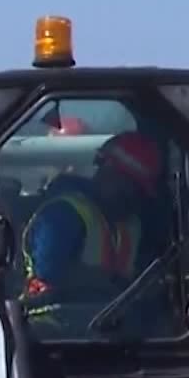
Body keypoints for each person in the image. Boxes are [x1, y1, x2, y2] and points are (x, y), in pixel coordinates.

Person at [18, 130, 164, 323]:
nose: (134, 199)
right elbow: (49, 277)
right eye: (129, 189)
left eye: (139, 193)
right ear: (108, 173)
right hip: (49, 330)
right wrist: (110, 283)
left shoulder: (131, 226)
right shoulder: (63, 215)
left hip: (110, 330)